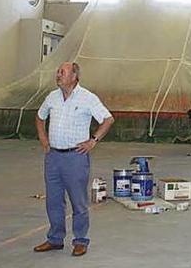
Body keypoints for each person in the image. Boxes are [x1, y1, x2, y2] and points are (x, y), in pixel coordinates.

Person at [33, 62, 114, 257]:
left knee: (78, 202)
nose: (58, 74)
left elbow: (108, 119)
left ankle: (80, 240)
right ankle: (55, 239)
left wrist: (93, 140)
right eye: (58, 71)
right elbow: (39, 117)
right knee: (53, 201)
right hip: (53, 157)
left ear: (74, 76)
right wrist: (44, 139)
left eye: (62, 72)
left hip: (75, 157)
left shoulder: (88, 98)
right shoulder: (52, 97)